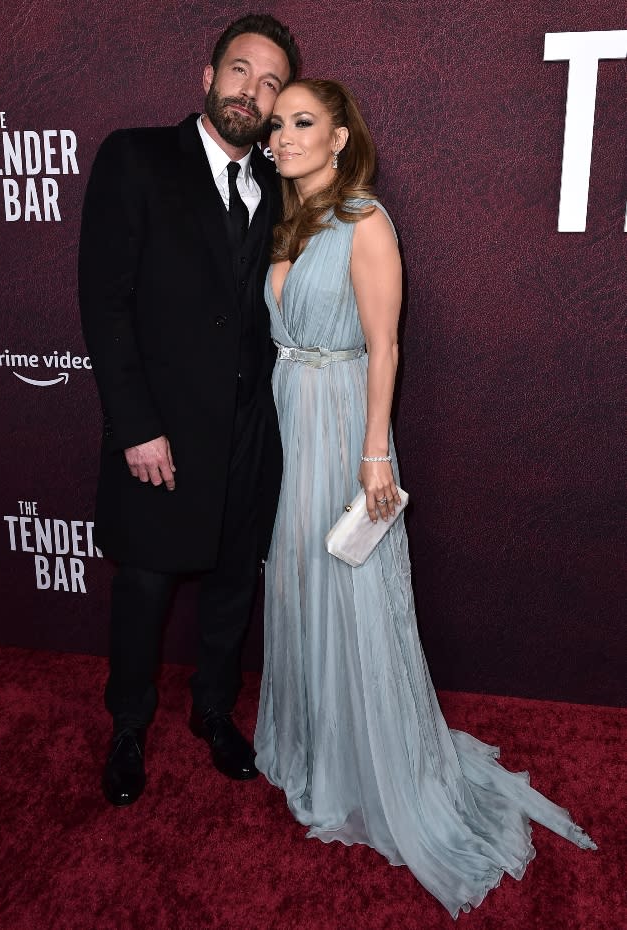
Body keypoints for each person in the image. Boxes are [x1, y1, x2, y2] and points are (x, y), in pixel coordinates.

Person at [253, 79, 596, 918]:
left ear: (340, 140)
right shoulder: (287, 225)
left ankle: (376, 766)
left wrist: (375, 453)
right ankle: (320, 748)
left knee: (353, 585)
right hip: (293, 424)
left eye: (303, 123)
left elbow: (385, 344)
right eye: (276, 126)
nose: (282, 137)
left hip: (343, 426)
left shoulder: (365, 221)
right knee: (305, 581)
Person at [78, 14, 300, 806]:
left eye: (272, 81)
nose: (253, 89)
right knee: (143, 585)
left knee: (235, 581)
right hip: (160, 431)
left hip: (250, 432)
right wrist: (134, 424)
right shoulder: (135, 158)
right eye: (241, 70)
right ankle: (128, 725)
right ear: (206, 76)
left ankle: (214, 710)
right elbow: (105, 305)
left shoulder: (279, 185)